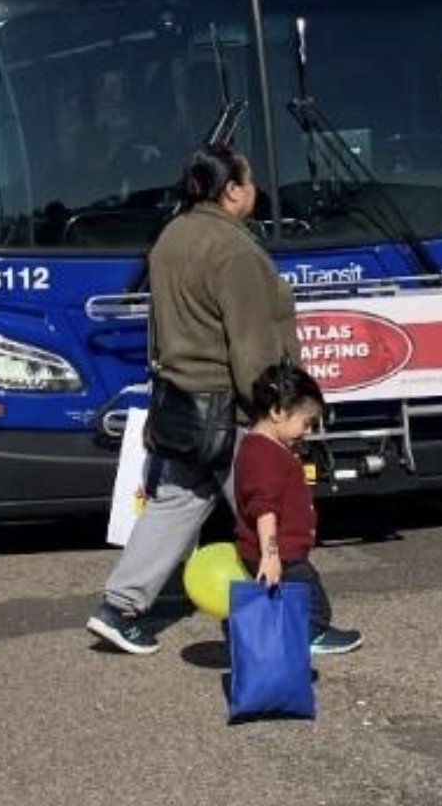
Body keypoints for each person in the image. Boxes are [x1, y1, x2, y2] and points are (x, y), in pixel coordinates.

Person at [87, 144, 294, 657]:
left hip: (182, 402)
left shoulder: (171, 237)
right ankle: (304, 624)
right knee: (271, 507)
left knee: (176, 503)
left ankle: (117, 607)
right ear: (231, 190)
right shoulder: (234, 250)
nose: (256, 191)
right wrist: (274, 407)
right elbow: (251, 343)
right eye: (250, 181)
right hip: (232, 406)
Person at [234, 365, 363, 655]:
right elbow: (263, 508)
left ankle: (286, 638)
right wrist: (271, 555)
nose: (308, 432)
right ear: (278, 411)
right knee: (314, 604)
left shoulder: (265, 446)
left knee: (289, 598)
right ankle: (309, 636)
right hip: (282, 553)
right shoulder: (262, 453)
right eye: (306, 423)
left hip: (284, 551)